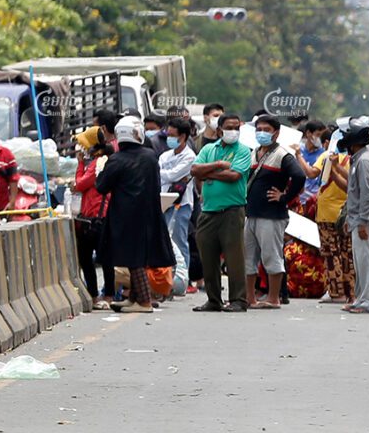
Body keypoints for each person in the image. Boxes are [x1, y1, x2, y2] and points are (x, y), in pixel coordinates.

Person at [96, 116, 175, 314]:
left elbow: (101, 187)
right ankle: (134, 298)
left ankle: (145, 301)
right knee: (138, 256)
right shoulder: (150, 156)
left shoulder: (116, 159)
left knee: (134, 259)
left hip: (125, 215)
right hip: (149, 212)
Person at [190, 113, 253, 312]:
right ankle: (213, 299)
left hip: (232, 211)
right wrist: (217, 166)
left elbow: (234, 176)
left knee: (234, 258)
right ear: (219, 130)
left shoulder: (243, 151)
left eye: (237, 128)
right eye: (229, 127)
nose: (233, 132)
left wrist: (207, 173)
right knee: (207, 257)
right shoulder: (209, 149)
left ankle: (238, 300)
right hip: (208, 211)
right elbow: (194, 170)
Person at [244, 115, 305, 310]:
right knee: (249, 257)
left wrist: (284, 197)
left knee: (271, 256)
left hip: (271, 215)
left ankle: (273, 298)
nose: (261, 133)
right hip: (251, 213)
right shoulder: (254, 153)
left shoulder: (282, 155)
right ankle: (250, 297)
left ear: (276, 133)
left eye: (266, 129)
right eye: (258, 129)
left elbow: (299, 176)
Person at [298, 129, 354, 305]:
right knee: (346, 253)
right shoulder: (353, 160)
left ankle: (336, 292)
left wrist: (298, 155)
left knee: (330, 253)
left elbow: (311, 173)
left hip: (327, 212)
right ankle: (349, 291)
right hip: (346, 212)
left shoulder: (326, 157)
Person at [340, 118, 369, 314]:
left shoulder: (364, 161)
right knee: (360, 260)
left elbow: (367, 194)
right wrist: (351, 218)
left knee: (367, 260)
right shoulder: (359, 159)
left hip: (366, 219)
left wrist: (363, 221)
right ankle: (361, 298)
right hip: (358, 217)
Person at [72, 126, 115, 309]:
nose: (82, 149)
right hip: (90, 218)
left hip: (98, 219)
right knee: (90, 258)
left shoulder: (99, 163)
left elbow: (79, 184)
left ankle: (105, 295)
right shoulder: (97, 162)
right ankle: (98, 295)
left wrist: (80, 163)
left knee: (102, 259)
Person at [159, 117, 196, 273]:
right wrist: (167, 174)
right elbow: (164, 175)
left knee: (179, 241)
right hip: (163, 201)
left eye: (173, 135)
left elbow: (172, 176)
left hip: (181, 204)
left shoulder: (190, 157)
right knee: (165, 240)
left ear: (183, 137)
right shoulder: (165, 155)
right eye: (168, 134)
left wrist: (164, 174)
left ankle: (182, 276)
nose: (169, 138)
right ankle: (168, 276)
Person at [299, 120, 327, 206]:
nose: (320, 139)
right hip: (296, 198)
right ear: (308, 133)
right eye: (318, 135)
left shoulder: (324, 154)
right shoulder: (298, 149)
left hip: (313, 201)